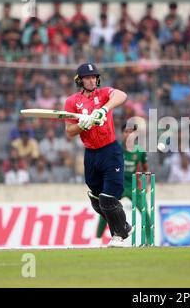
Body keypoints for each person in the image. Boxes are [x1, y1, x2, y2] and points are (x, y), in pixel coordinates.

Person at [64, 63, 132, 247]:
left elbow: (121, 95)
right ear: (80, 80)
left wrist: (103, 110)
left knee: (108, 197)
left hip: (110, 151)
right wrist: (82, 125)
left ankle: (119, 235)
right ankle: (123, 225)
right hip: (91, 154)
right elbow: (70, 131)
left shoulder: (103, 95)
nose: (91, 80)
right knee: (96, 201)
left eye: (94, 77)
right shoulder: (72, 102)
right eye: (87, 77)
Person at [94, 123, 151, 245]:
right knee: (106, 209)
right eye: (126, 131)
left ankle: (149, 241)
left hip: (133, 186)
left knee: (145, 211)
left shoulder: (139, 151)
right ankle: (97, 239)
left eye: (131, 132)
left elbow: (146, 169)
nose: (129, 134)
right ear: (122, 134)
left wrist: (146, 184)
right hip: (116, 184)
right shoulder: (115, 148)